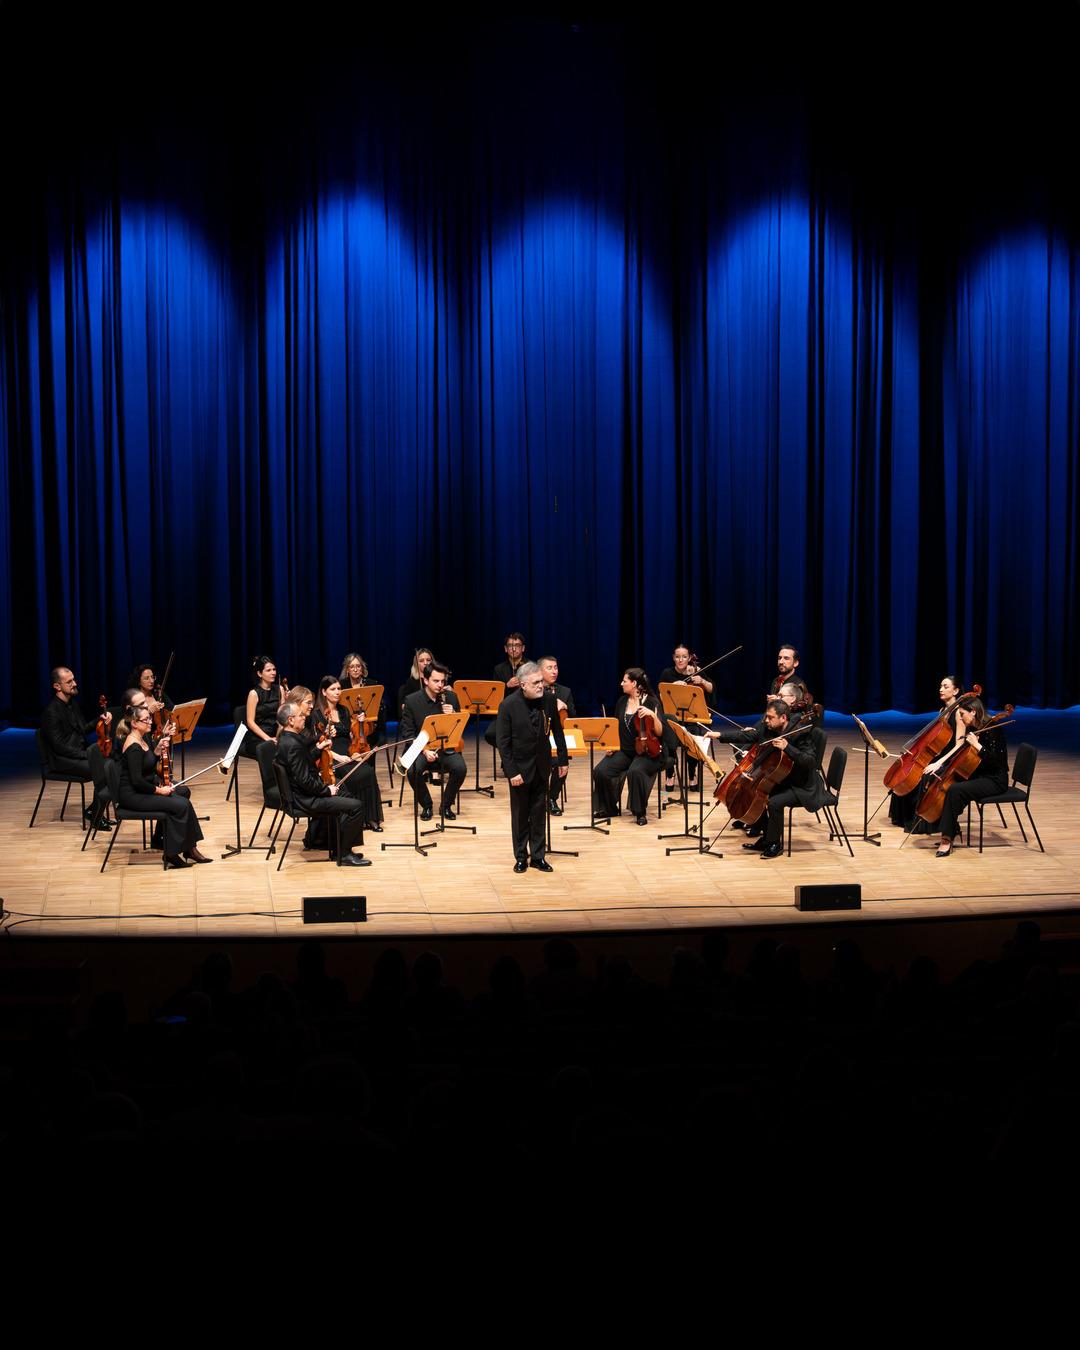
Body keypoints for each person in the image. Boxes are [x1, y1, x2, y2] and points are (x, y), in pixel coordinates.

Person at [274, 701, 370, 867]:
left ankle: (337, 847)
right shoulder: (293, 745)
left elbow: (303, 763)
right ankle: (345, 854)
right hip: (306, 800)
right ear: (290, 720)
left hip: (303, 795)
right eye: (300, 716)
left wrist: (319, 749)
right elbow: (304, 780)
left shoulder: (286, 738)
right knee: (357, 806)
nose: (304, 718)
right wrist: (326, 790)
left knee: (346, 795)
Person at [496, 662, 568, 872]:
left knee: (538, 813)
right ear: (522, 684)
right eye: (536, 682)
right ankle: (521, 856)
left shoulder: (549, 700)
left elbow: (557, 732)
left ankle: (538, 856)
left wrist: (562, 760)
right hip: (519, 769)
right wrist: (512, 772)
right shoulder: (508, 705)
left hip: (542, 766)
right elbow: (503, 743)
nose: (541, 686)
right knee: (520, 815)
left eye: (541, 682)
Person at [117, 704, 210, 868]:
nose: (150, 722)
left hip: (143, 789)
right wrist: (160, 790)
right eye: (145, 719)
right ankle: (172, 853)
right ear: (134, 723)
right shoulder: (133, 747)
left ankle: (187, 848)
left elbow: (147, 767)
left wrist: (158, 750)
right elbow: (137, 781)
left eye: (149, 718)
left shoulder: (142, 739)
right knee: (182, 805)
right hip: (133, 796)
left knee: (182, 793)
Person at [735, 699, 827, 859]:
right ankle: (766, 838)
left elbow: (811, 762)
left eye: (770, 717)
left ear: (783, 718)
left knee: (774, 802)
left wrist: (788, 747)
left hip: (803, 785)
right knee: (758, 793)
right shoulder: (775, 730)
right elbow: (755, 736)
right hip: (786, 779)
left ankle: (774, 844)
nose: (766, 721)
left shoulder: (801, 733)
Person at [926, 696, 1009, 858]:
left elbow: (998, 763)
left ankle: (946, 839)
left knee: (955, 790)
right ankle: (951, 828)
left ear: (973, 712)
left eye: (963, 714)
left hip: (995, 780)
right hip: (979, 775)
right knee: (942, 781)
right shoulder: (976, 729)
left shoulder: (994, 729)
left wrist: (977, 746)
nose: (962, 720)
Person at [592, 668, 668, 825]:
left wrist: (652, 715)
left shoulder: (652, 702)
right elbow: (614, 727)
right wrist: (612, 745)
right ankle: (610, 808)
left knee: (635, 771)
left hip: (647, 751)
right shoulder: (622, 702)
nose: (621, 684)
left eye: (624, 681)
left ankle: (640, 812)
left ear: (634, 683)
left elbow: (660, 732)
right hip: (625, 751)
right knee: (600, 771)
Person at [888, 675, 963, 830]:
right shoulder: (943, 710)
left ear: (956, 690)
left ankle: (924, 821)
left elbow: (959, 745)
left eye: (946, 686)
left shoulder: (959, 713)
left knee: (924, 775)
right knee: (906, 773)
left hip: (950, 759)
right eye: (941, 686)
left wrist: (938, 763)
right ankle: (904, 817)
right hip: (939, 756)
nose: (941, 689)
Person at [40, 666, 111, 827]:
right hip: (61, 760)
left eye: (73, 679)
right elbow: (59, 747)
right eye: (69, 681)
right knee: (103, 769)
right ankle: (96, 817)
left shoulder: (72, 704)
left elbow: (82, 730)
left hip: (76, 754)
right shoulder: (51, 712)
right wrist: (88, 754)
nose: (74, 683)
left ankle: (94, 811)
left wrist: (98, 720)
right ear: (57, 686)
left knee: (112, 765)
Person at [399, 660, 467, 821]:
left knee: (460, 768)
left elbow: (458, 730)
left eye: (443, 681)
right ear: (426, 680)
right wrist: (424, 750)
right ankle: (427, 805)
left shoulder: (451, 697)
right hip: (422, 749)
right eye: (436, 681)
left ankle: (446, 805)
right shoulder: (412, 700)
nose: (440, 685)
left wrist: (453, 716)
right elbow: (408, 733)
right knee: (413, 770)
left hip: (445, 748)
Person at [313, 675, 383, 831]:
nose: (338, 692)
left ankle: (370, 818)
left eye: (339, 688)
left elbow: (351, 735)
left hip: (348, 751)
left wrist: (360, 722)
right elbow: (319, 744)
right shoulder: (318, 714)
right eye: (333, 689)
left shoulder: (344, 710)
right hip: (332, 755)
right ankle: (354, 818)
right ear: (324, 692)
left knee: (368, 772)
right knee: (355, 775)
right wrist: (338, 757)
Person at [658, 644, 715, 792]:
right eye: (677, 657)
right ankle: (670, 774)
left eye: (684, 657)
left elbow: (711, 688)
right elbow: (660, 696)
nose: (680, 660)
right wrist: (673, 686)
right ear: (673, 658)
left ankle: (692, 775)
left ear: (690, 658)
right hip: (673, 717)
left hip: (692, 718)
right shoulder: (667, 673)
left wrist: (702, 681)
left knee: (694, 735)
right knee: (667, 735)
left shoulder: (697, 671)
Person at [539, 656, 576, 815]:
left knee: (561, 760)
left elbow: (573, 719)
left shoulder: (565, 691)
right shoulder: (535, 689)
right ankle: (538, 798)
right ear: (540, 671)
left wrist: (565, 705)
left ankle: (552, 798)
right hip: (539, 737)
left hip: (559, 736)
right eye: (550, 668)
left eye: (556, 667)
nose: (554, 671)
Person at [485, 633, 528, 749]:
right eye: (510, 645)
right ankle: (508, 756)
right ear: (505, 649)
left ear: (523, 648)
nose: (514, 649)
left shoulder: (530, 666)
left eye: (517, 645)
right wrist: (506, 686)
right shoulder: (499, 669)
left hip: (527, 711)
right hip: (505, 712)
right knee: (491, 734)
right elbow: (494, 696)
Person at [340, 652, 387, 747]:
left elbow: (378, 708)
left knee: (371, 739)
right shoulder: (341, 685)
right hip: (349, 727)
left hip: (369, 727)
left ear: (362, 668)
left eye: (358, 666)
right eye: (352, 667)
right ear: (347, 670)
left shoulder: (372, 684)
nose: (355, 669)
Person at [244, 655, 286, 757]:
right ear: (259, 673)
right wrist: (268, 738)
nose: (273, 673)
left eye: (274, 669)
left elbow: (282, 716)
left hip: (276, 733)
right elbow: (250, 722)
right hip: (258, 737)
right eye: (268, 670)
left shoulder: (280, 689)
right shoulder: (254, 693)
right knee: (270, 749)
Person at [397, 648, 434, 716]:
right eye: (421, 661)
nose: (425, 663)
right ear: (416, 663)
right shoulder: (411, 682)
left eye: (428, 660)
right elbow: (404, 707)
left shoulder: (438, 681)